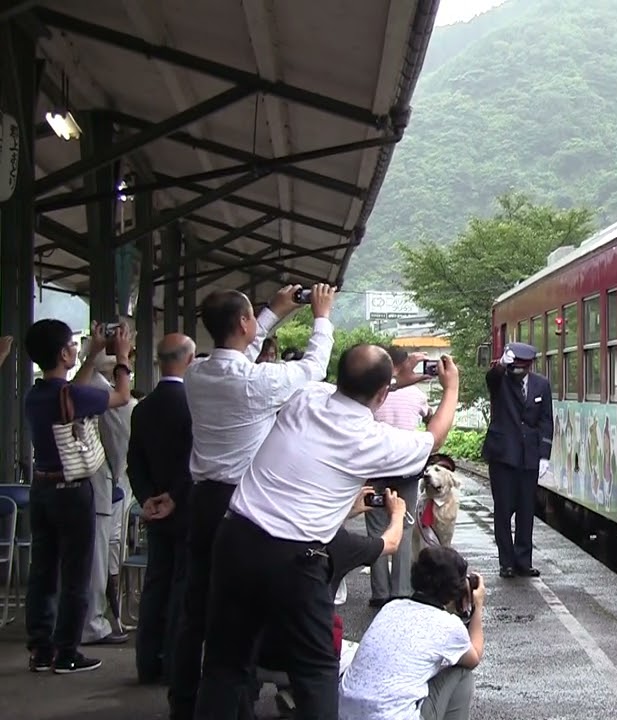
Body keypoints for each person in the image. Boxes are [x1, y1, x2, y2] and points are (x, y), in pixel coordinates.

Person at [194, 347, 461, 720]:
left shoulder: (307, 397)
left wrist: (395, 380)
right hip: (294, 559)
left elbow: (356, 389)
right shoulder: (372, 439)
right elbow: (433, 439)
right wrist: (451, 389)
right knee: (315, 672)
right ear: (383, 393)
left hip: (235, 537)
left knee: (225, 665)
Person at [172, 283, 336, 720]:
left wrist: (269, 313)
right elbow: (313, 368)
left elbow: (237, 355)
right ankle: (239, 705)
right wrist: (321, 315)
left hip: (202, 498)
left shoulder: (197, 373)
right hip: (243, 508)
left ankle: (183, 702)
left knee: (196, 607)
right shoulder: (255, 382)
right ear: (243, 324)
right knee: (239, 617)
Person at [22, 319, 134, 674]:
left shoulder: (36, 394)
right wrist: (122, 358)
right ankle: (68, 651)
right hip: (73, 490)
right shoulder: (76, 396)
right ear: (63, 353)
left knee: (42, 572)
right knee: (76, 574)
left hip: (41, 487)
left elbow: (69, 391)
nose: (75, 348)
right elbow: (122, 396)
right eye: (72, 345)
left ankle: (41, 650)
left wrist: (91, 354)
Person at [261, 486, 409, 717]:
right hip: (309, 659)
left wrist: (350, 510)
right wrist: (397, 513)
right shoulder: (336, 543)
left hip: (253, 656)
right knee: (362, 655)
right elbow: (390, 543)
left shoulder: (255, 530)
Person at [339, 546, 486, 720]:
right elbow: (474, 657)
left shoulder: (391, 607)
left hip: (343, 713)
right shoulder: (448, 625)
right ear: (455, 589)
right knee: (461, 671)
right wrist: (478, 606)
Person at [127, 333, 197, 685]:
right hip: (186, 510)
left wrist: (147, 499)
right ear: (190, 359)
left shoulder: (143, 408)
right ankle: (174, 661)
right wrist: (176, 497)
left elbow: (133, 464)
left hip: (154, 511)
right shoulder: (195, 406)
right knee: (183, 586)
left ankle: (146, 661)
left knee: (155, 584)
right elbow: (196, 463)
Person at [367, 346, 436, 607]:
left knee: (376, 529)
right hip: (406, 469)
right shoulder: (416, 395)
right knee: (405, 527)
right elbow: (430, 417)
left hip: (374, 468)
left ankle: (379, 593)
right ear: (407, 364)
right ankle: (401, 591)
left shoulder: (374, 392)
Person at [482, 341, 553, 579]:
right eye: (514, 366)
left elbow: (545, 421)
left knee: (526, 510)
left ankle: (524, 561)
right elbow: (491, 378)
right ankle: (506, 562)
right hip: (503, 455)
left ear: (529, 365)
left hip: (529, 457)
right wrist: (502, 364)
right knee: (503, 511)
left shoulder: (541, 385)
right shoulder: (501, 381)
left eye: (521, 367)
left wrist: (544, 455)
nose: (518, 371)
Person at [82, 347, 138, 646]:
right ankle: (92, 624)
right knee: (95, 560)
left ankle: (52, 630)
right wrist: (122, 359)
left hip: (55, 486)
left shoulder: (56, 390)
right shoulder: (99, 395)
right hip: (96, 487)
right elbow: (123, 402)